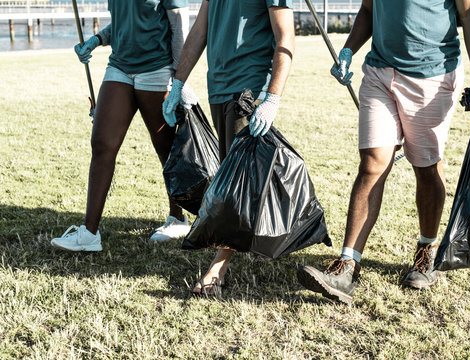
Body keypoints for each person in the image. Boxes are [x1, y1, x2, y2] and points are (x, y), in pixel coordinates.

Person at [297, 0, 470, 304]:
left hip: (432, 78)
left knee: (426, 167)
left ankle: (425, 251)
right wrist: (349, 50)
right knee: (372, 163)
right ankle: (347, 265)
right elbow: (367, 9)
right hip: (380, 73)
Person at [162, 0, 295, 295]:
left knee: (237, 180)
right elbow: (199, 31)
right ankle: (269, 233)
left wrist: (271, 98)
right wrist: (178, 82)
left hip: (248, 87)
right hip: (218, 86)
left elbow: (286, 36)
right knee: (233, 172)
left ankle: (218, 269)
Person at [51, 0, 192, 251]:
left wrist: (179, 81)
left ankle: (178, 217)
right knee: (102, 143)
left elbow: (179, 27)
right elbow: (124, 24)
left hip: (157, 68)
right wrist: (96, 40)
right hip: (119, 66)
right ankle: (89, 234)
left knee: (166, 148)